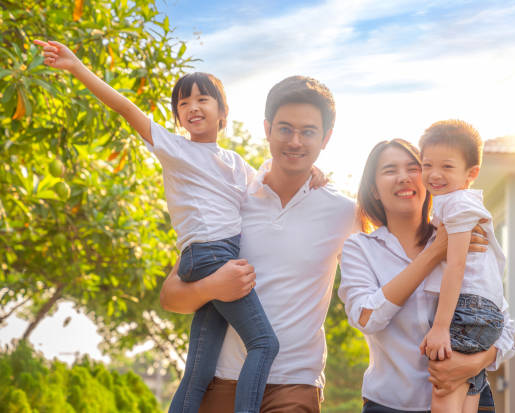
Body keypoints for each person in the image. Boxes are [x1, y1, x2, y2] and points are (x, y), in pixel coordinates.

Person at [33, 40, 322, 413]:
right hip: (208, 256)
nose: (192, 107)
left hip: (219, 256)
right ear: (177, 118)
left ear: (223, 112)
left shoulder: (235, 163)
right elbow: (124, 106)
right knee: (265, 344)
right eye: (183, 103)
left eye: (202, 99)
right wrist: (76, 67)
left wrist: (311, 170)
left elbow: (271, 183)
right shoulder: (175, 148)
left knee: (200, 368)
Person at [159, 75, 357, 413]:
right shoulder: (236, 194)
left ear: (326, 138)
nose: (294, 141)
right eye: (284, 128)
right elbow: (171, 296)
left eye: (308, 132)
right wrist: (212, 286)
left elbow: (389, 255)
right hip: (220, 382)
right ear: (267, 129)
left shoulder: (343, 212)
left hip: (294, 386)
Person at [339, 139, 515, 413]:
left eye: (413, 168)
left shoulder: (463, 237)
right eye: (389, 170)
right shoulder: (360, 248)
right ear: (373, 189)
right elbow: (367, 317)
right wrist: (435, 253)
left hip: (468, 397)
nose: (403, 178)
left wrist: (474, 364)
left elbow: (501, 319)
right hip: (390, 404)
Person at [418, 120, 506, 413]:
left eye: (446, 166)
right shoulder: (456, 203)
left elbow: (455, 265)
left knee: (443, 393)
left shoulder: (457, 205)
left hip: (467, 307)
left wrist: (441, 328)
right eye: (427, 164)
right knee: (466, 390)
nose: (434, 174)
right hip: (486, 312)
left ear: (472, 174)